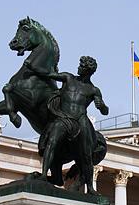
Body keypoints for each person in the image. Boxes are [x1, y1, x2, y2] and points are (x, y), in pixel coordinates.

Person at [37, 56, 109, 194]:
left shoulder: (93, 90)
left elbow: (105, 111)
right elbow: (49, 74)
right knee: (52, 141)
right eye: (79, 65)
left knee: (86, 154)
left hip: (81, 120)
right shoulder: (68, 78)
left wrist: (102, 106)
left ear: (88, 71)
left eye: (82, 66)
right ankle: (44, 174)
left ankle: (90, 187)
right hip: (64, 117)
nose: (79, 67)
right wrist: (37, 66)